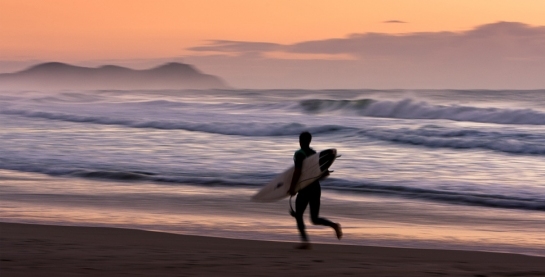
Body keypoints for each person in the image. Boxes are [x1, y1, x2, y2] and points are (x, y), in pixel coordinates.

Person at [288, 131, 342, 249]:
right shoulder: (314, 154)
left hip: (305, 188)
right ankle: (334, 225)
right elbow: (322, 173)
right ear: (310, 141)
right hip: (315, 187)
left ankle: (305, 242)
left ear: (300, 141)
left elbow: (297, 172)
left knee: (299, 216)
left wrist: (292, 187)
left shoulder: (299, 154)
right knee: (315, 218)